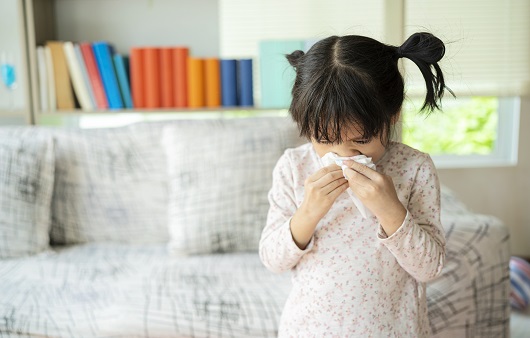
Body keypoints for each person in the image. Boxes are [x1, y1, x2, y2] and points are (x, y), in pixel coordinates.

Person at [259, 32, 452, 337]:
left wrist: (390, 210)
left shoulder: (414, 168)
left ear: (392, 116)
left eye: (361, 141)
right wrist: (308, 212)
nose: (344, 155)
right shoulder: (294, 168)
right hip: (310, 329)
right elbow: (273, 260)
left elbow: (429, 268)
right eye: (324, 140)